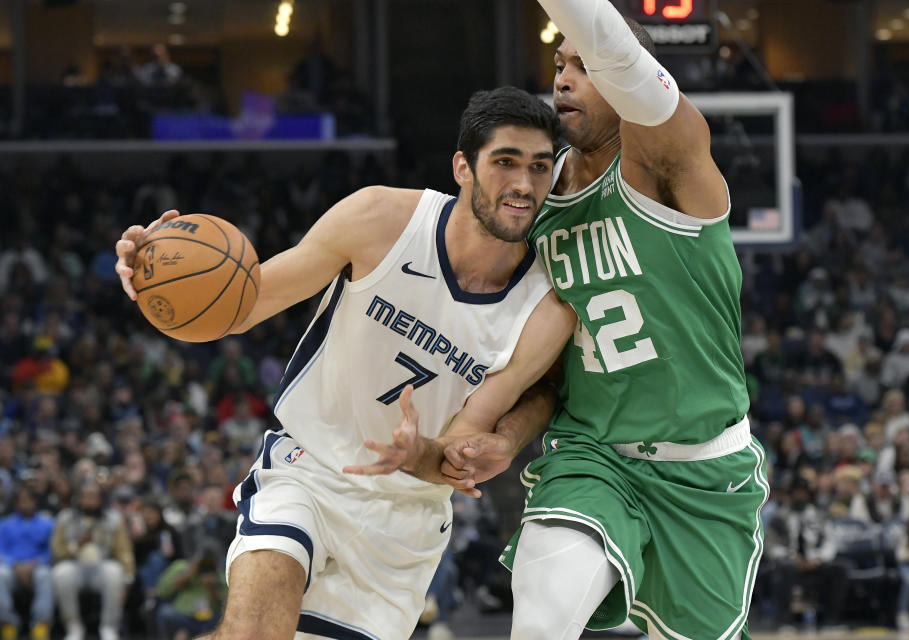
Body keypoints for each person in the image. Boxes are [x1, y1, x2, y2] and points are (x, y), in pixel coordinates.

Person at [114, 87, 577, 640]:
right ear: (463, 167)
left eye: (539, 168)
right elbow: (243, 306)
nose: (523, 185)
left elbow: (461, 450)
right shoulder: (381, 218)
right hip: (309, 469)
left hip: (403, 524)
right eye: (505, 162)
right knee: (254, 631)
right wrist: (155, 284)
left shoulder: (546, 306)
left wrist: (421, 452)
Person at [436, 2, 768, 637]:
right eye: (559, 64)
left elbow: (622, 54)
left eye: (582, 66)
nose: (562, 78)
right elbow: (547, 365)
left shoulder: (671, 165)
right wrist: (504, 436)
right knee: (543, 609)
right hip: (591, 455)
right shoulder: (537, 200)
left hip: (703, 467)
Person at [50, 482, 135, 640]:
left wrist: (128, 579)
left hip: (101, 567)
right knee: (62, 572)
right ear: (79, 498)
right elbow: (56, 550)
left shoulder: (114, 519)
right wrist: (76, 545)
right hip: (76, 565)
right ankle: (73, 627)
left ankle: (109, 628)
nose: (90, 501)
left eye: (94, 497)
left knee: (115, 571)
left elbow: (124, 552)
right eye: (86, 496)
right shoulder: (65, 518)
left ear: (101, 499)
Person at [0, 488, 54, 640]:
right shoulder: (5, 524)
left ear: (35, 502)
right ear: (16, 504)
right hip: (12, 567)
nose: (25, 504)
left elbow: (50, 551)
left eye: (28, 500)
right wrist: (15, 564)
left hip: (36, 567)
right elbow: (1, 550)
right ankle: (7, 623)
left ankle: (41, 624)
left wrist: (34, 564)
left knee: (45, 575)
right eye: (21, 501)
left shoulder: (47, 524)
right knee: (0, 575)